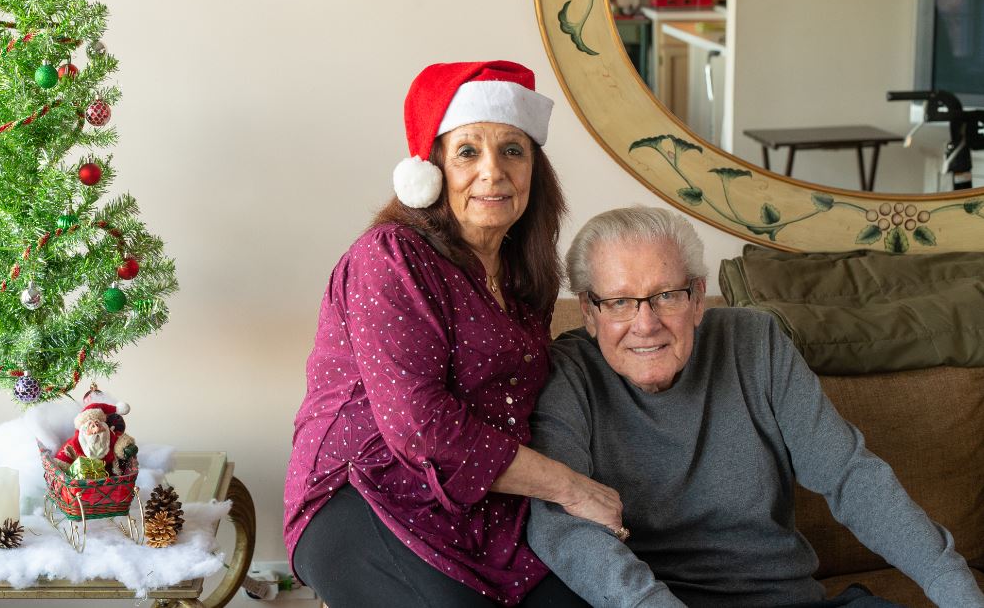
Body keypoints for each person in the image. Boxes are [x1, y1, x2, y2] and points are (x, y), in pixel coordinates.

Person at [527, 206, 984, 608]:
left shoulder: (754, 342)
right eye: (620, 302)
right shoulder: (569, 372)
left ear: (698, 298)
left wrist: (957, 590)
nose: (645, 325)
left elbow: (853, 479)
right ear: (588, 311)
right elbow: (560, 526)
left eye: (666, 295)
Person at [285, 61, 621, 608]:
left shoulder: (522, 274)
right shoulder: (389, 258)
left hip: (485, 507)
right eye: (469, 151)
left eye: (513, 149)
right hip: (366, 492)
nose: (494, 171)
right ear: (433, 167)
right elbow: (420, 430)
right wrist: (571, 487)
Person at [55, 393, 136, 477]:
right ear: (83, 428)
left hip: (109, 474)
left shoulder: (110, 435)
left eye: (97, 423)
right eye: (92, 425)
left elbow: (121, 441)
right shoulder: (76, 442)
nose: (96, 429)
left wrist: (126, 447)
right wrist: (60, 466)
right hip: (83, 480)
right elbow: (64, 456)